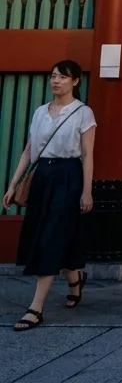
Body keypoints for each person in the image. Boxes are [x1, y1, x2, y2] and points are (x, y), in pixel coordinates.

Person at [3, 60, 95, 332]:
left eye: (63, 77)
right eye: (54, 76)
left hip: (69, 177)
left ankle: (36, 308)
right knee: (50, 234)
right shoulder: (41, 112)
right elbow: (30, 150)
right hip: (43, 177)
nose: (56, 81)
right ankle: (75, 280)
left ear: (75, 82)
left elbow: (88, 155)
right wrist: (12, 184)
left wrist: (87, 191)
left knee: (51, 236)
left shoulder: (83, 113)